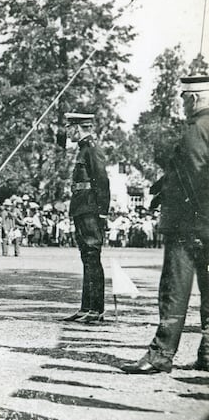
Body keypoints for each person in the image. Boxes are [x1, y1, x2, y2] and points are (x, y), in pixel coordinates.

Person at [122, 75, 209, 374]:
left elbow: (195, 178)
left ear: (194, 99)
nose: (182, 105)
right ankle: (208, 353)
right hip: (206, 225)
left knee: (174, 289)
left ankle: (160, 354)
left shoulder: (197, 129)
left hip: (189, 226)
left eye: (184, 99)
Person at [59, 112, 110, 324]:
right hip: (82, 208)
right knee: (86, 258)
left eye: (70, 127)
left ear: (77, 128)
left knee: (92, 257)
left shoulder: (92, 150)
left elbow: (102, 182)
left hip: (90, 210)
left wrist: (102, 212)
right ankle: (86, 307)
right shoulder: (83, 150)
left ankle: (96, 310)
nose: (67, 131)